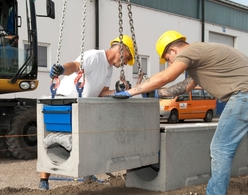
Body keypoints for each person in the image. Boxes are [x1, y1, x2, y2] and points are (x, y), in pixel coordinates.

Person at [113, 30, 248, 195]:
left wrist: (131, 92)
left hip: (244, 95)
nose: (170, 63)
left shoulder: (192, 51)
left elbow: (165, 77)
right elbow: (185, 86)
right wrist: (157, 93)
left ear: (173, 51)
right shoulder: (202, 57)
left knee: (220, 149)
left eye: (168, 59)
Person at [39, 34, 135, 190]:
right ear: (121, 49)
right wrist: (62, 69)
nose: (125, 62)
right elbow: (75, 66)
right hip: (66, 100)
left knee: (88, 140)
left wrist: (118, 91)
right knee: (53, 137)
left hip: (83, 105)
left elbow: (102, 92)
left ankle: (87, 174)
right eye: (127, 57)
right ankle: (44, 180)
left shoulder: (109, 69)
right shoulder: (95, 56)